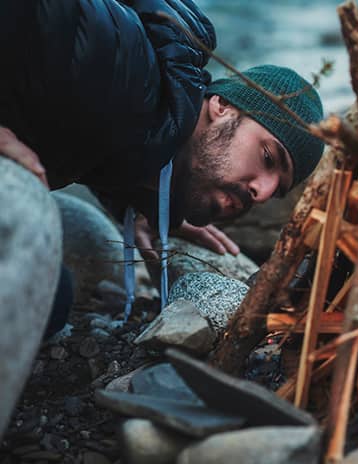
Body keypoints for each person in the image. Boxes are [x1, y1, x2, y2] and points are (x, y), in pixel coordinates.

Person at [0, 0, 325, 330]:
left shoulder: (136, 113)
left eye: (277, 191)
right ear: (222, 106)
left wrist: (140, 193)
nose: (262, 192)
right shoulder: (117, 56)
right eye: (268, 158)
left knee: (50, 300)